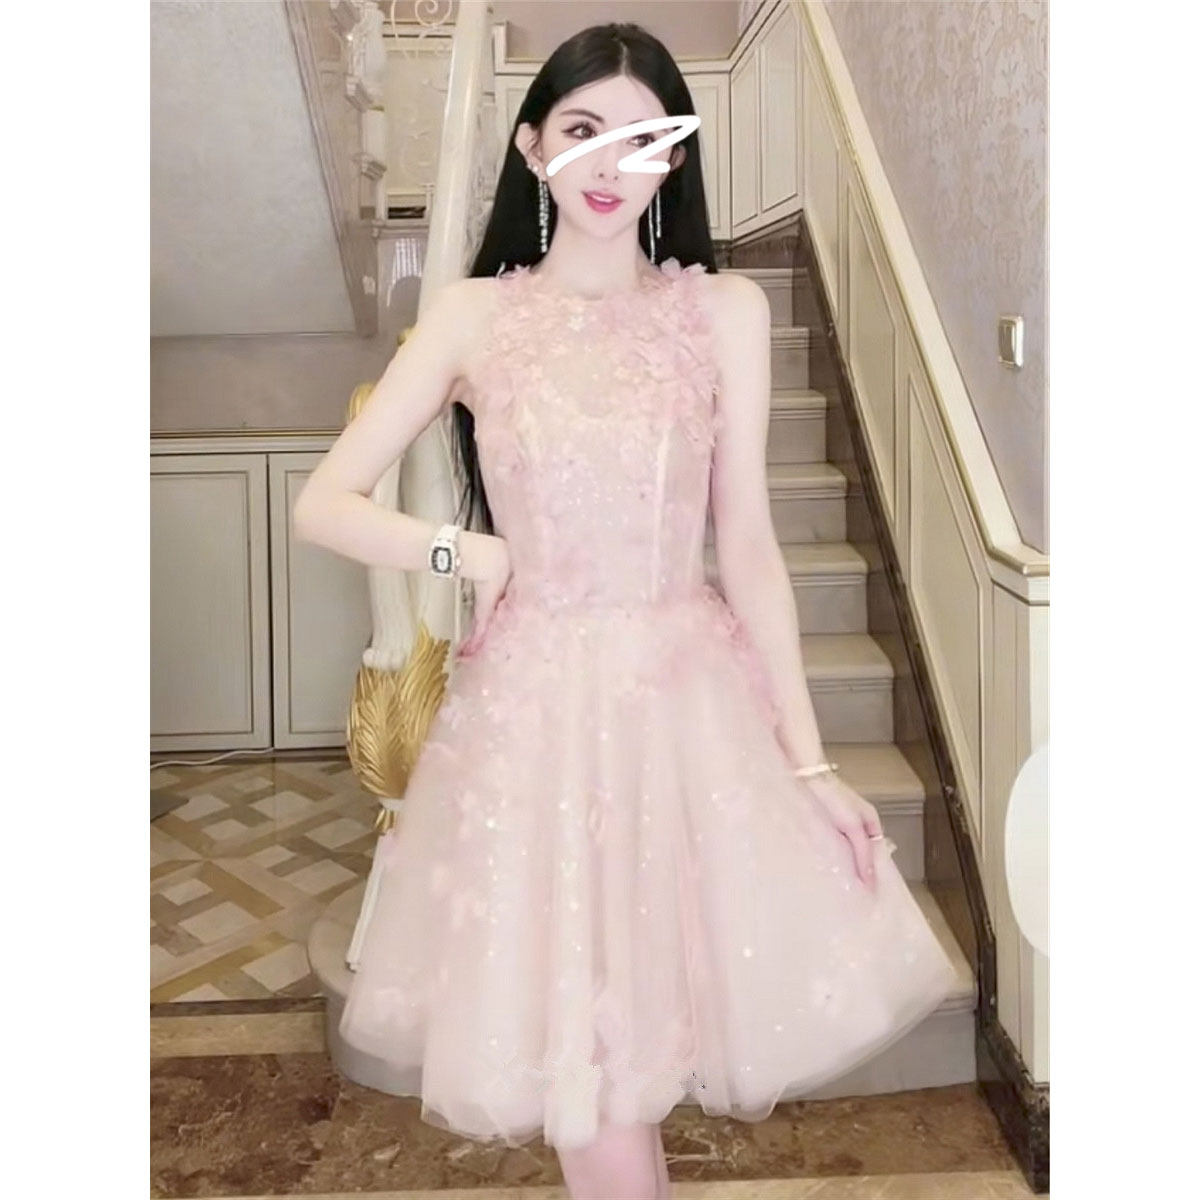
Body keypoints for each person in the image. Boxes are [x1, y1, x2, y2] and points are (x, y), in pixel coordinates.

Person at [293, 22, 958, 1200]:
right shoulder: (473, 317)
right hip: (538, 722)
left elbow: (748, 546)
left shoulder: (724, 314)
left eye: (643, 140)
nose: (611, 164)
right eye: (583, 130)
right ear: (530, 144)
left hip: (685, 710)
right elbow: (324, 503)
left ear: (674, 160)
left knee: (633, 1061)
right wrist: (469, 549)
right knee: (585, 1064)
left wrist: (810, 767)